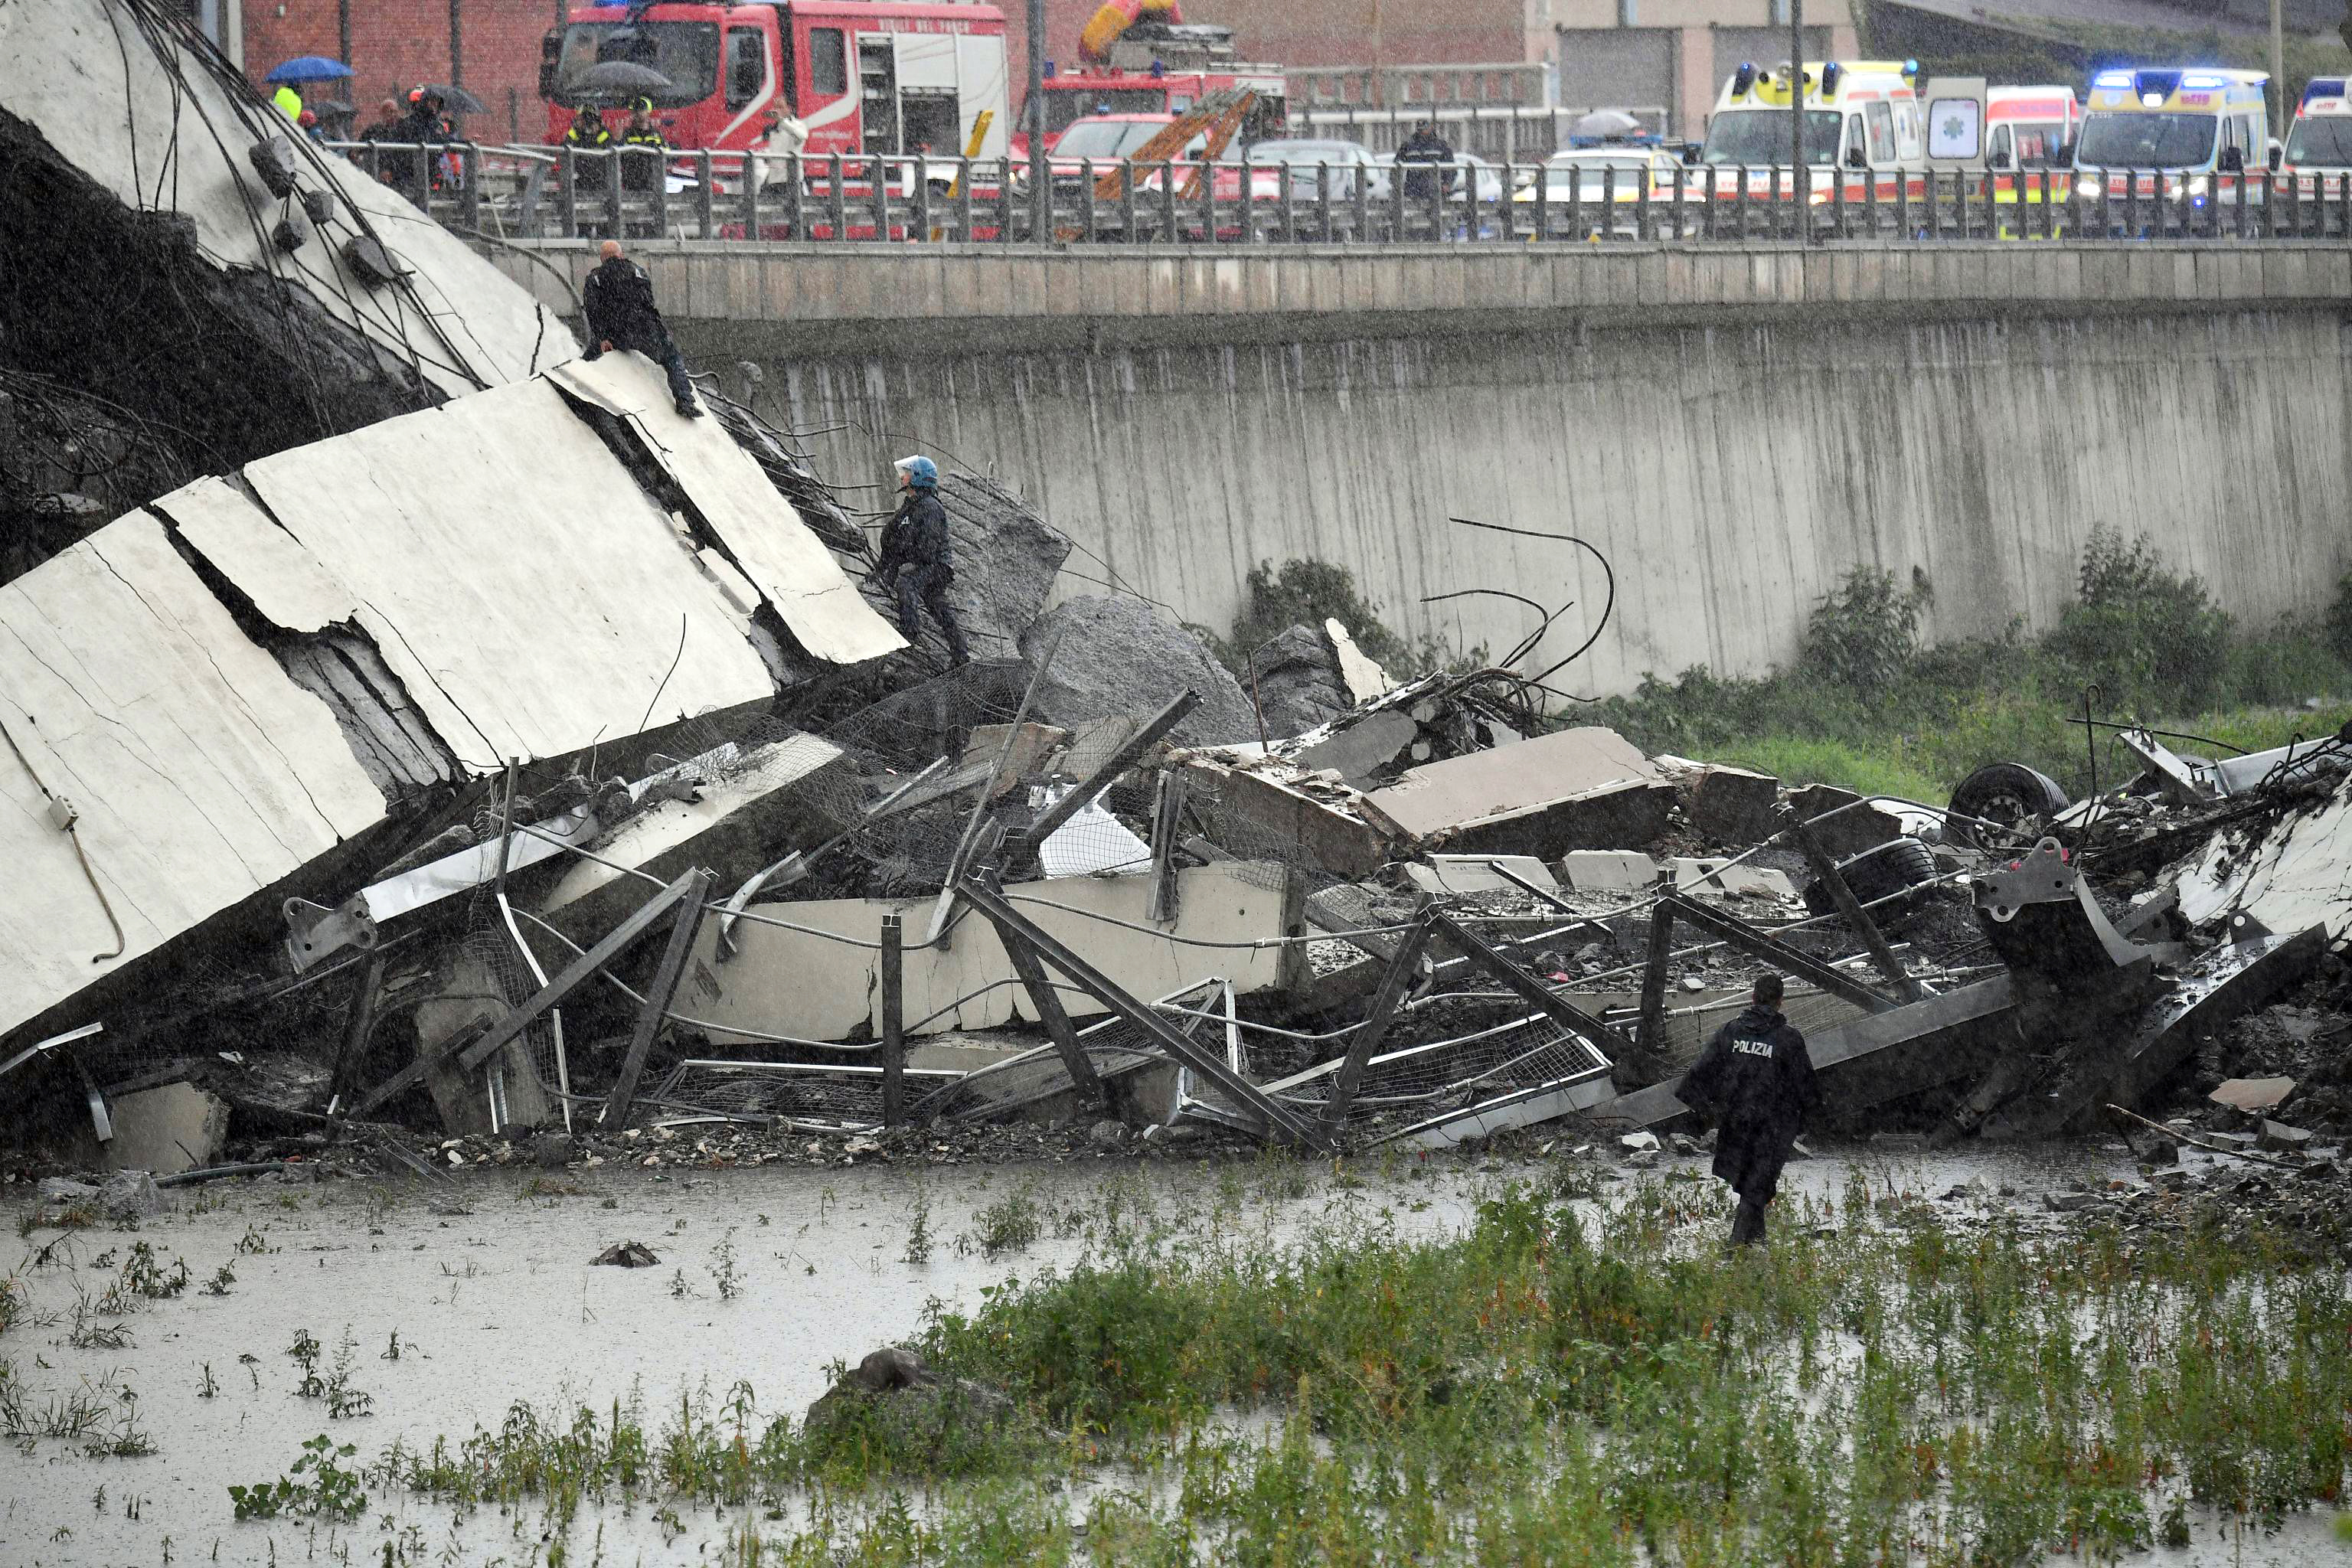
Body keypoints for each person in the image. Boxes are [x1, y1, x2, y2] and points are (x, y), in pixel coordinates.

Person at [1674, 974, 1821, 1249]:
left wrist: (1706, 1113)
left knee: (1752, 1182)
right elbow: (1806, 1084)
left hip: (1736, 1122)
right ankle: (1734, 1248)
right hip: (1771, 1126)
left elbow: (1698, 1073)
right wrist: (1813, 1119)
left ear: (1753, 999)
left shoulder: (1731, 1031)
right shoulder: (1789, 1039)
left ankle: (1757, 1243)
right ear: (1780, 1002)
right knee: (1755, 1186)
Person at [580, 239, 703, 418]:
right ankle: (685, 401)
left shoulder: (595, 278)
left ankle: (580, 384)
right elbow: (649, 304)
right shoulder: (638, 272)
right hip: (646, 331)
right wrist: (659, 332)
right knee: (672, 358)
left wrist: (603, 338)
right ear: (620, 255)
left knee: (589, 358)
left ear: (602, 258)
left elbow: (593, 311)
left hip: (616, 334)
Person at [874, 456, 969, 665]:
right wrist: (881, 569)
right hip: (925, 563)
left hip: (937, 566)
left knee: (908, 584)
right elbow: (891, 539)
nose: (902, 477)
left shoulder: (930, 507)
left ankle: (910, 634)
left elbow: (927, 550)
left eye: (906, 473)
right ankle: (960, 654)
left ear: (917, 477)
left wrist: (901, 563)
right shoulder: (910, 506)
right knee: (937, 606)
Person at [1395, 119, 1455, 204]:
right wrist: (1398, 185)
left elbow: (1450, 168)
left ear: (1431, 128)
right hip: (1412, 190)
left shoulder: (1441, 146)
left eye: (1425, 128)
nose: (1423, 131)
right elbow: (1396, 167)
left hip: (1435, 190)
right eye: (1421, 129)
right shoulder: (1408, 146)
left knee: (1434, 212)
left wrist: (1447, 183)